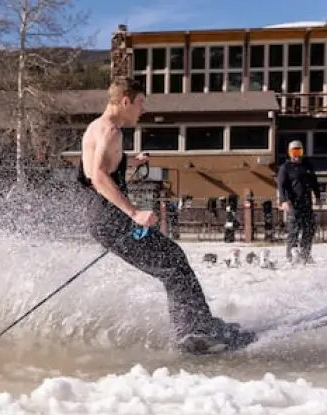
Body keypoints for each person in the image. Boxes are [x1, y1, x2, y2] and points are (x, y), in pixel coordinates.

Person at [77, 76, 254, 354]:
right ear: (126, 101)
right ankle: (195, 335)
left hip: (102, 217)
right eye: (140, 103)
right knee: (172, 264)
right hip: (110, 217)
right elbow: (98, 177)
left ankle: (200, 326)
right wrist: (134, 212)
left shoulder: (97, 128)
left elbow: (99, 166)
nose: (143, 110)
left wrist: (131, 161)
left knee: (172, 260)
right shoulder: (111, 131)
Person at [277, 140, 321, 264]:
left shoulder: (307, 166)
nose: (296, 154)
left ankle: (305, 254)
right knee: (294, 230)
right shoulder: (285, 167)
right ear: (289, 153)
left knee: (309, 229)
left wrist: (317, 196)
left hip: (306, 203)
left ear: (302, 152)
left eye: (299, 151)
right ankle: (291, 256)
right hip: (293, 203)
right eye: (293, 151)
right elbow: (281, 185)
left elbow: (314, 183)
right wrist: (283, 201)